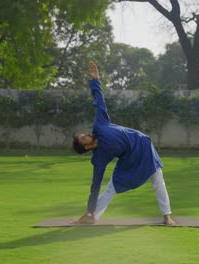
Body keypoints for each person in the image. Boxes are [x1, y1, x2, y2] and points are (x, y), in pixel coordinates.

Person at [71, 61, 175, 225]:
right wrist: (89, 209)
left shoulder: (100, 124)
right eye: (84, 137)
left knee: (157, 179)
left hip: (142, 145)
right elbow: (95, 185)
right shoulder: (99, 158)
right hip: (128, 158)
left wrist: (95, 79)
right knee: (111, 187)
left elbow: (99, 99)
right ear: (87, 146)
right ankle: (91, 216)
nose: (87, 134)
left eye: (84, 133)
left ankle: (167, 216)